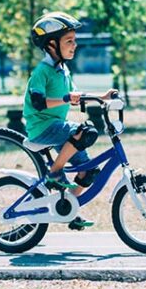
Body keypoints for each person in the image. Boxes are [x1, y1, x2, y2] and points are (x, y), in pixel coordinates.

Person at [24, 12, 116, 231]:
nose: (74, 45)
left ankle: (67, 208)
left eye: (74, 41)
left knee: (89, 171)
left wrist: (102, 97)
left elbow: (76, 94)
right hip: (43, 128)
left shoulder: (63, 70)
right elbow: (38, 103)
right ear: (51, 45)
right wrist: (65, 99)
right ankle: (54, 172)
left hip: (57, 129)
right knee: (86, 131)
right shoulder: (42, 72)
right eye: (69, 41)